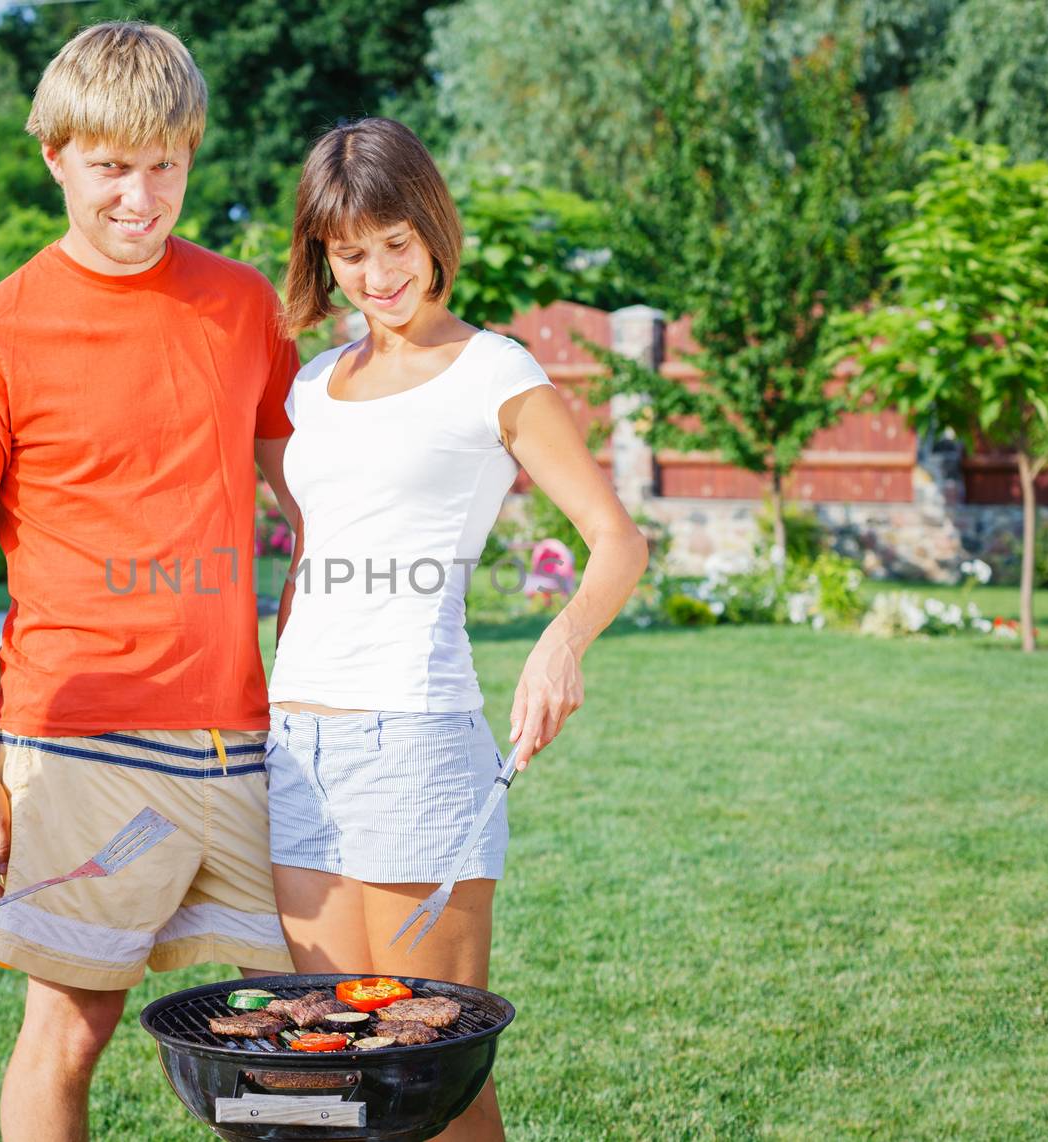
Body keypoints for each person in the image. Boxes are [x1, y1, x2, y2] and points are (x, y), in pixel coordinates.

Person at [0, 21, 299, 1142]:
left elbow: (309, 507)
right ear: (56, 157)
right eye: (111, 167)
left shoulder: (243, 309)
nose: (141, 196)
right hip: (76, 738)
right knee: (69, 1032)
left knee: (304, 1020)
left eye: (165, 166)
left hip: (245, 736)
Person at [266, 118, 650, 1141]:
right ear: (322, 256)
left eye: (395, 242)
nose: (378, 273)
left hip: (413, 738)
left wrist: (560, 640)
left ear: (431, 228)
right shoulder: (313, 383)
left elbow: (617, 539)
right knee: (334, 1070)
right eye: (349, 254)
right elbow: (313, 555)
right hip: (297, 746)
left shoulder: (494, 372)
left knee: (430, 1067)